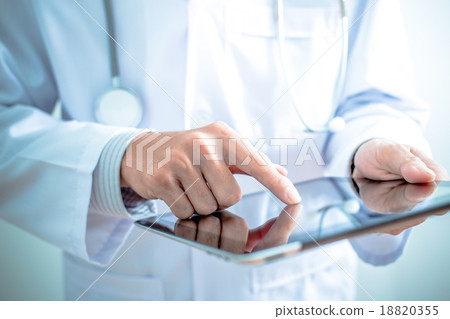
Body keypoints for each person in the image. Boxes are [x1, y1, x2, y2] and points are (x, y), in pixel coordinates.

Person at [0, 0, 447, 300]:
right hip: (125, 286)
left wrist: (368, 149)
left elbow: (377, 98)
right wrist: (120, 158)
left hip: (304, 289)